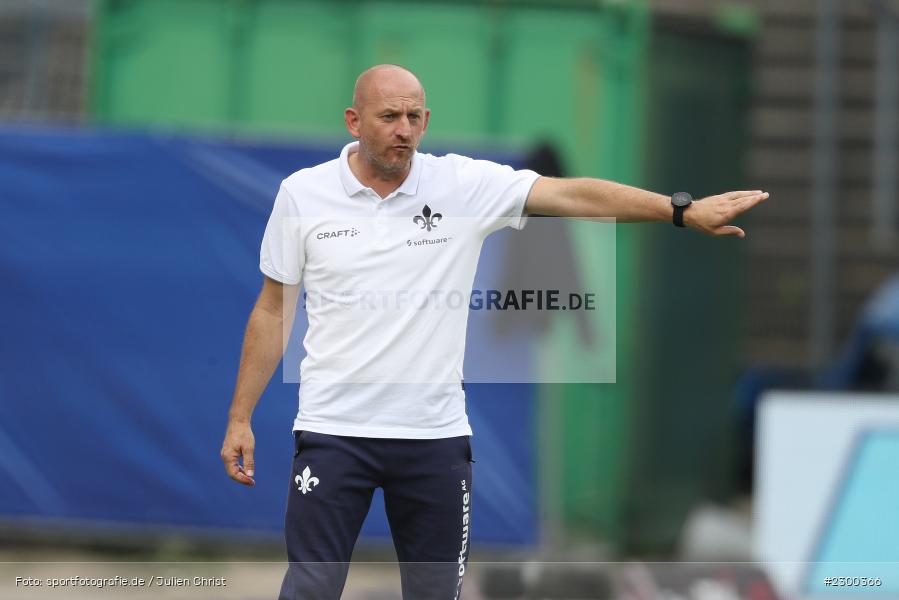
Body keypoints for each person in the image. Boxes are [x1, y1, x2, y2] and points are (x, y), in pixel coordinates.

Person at [220, 64, 769, 600]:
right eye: (389, 116)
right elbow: (273, 310)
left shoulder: (461, 185)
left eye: (414, 117)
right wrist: (240, 417)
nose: (404, 129)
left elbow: (572, 196)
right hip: (334, 433)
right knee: (312, 588)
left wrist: (679, 210)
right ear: (353, 121)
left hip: (433, 441)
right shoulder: (303, 194)